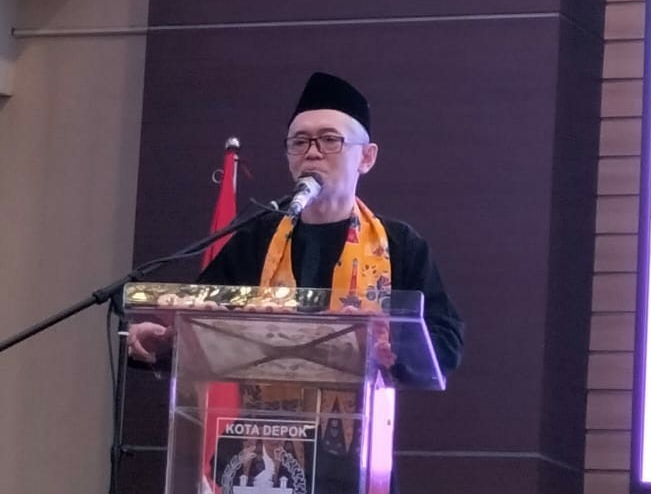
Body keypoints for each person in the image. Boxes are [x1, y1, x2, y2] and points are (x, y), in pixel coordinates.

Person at [128, 71, 463, 491]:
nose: (312, 153)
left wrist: (393, 348)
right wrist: (163, 343)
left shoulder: (400, 245)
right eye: (300, 142)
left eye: (329, 140)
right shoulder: (257, 238)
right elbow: (204, 322)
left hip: (352, 465)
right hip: (258, 465)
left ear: (366, 157)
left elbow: (446, 341)